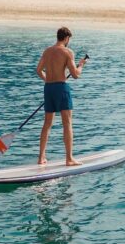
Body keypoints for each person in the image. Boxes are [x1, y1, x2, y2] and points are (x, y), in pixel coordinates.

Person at [35, 27, 88, 166]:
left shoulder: (47, 51)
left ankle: (41, 158)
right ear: (66, 38)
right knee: (67, 123)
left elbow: (38, 70)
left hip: (48, 88)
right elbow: (76, 75)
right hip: (61, 88)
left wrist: (48, 80)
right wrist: (81, 65)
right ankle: (69, 159)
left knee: (47, 124)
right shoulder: (67, 52)